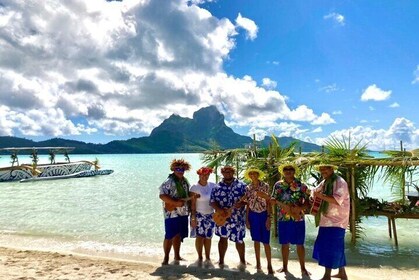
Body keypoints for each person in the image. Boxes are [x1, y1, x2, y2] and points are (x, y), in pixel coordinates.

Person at [271, 162, 311, 276]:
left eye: (290, 169)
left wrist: (300, 207)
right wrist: (275, 202)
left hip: (298, 218)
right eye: (285, 169)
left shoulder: (302, 185)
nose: (288, 171)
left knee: (300, 244)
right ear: (282, 172)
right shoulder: (278, 185)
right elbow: (273, 199)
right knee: (284, 244)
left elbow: (308, 203)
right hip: (282, 218)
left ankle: (303, 268)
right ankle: (284, 267)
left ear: (294, 171)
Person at [312, 163, 350, 280]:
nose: (323, 171)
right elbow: (315, 191)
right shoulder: (325, 182)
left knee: (330, 248)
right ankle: (342, 274)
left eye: (325, 169)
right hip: (326, 220)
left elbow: (336, 199)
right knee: (336, 247)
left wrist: (321, 196)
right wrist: (312, 194)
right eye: (321, 169)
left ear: (332, 169)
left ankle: (326, 276)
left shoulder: (340, 182)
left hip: (337, 222)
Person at [210, 165, 247, 269]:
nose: (227, 174)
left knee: (239, 240)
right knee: (222, 238)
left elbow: (248, 199)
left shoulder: (242, 185)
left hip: (237, 218)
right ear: (222, 173)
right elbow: (212, 202)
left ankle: (242, 261)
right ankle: (221, 261)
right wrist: (219, 210)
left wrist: (242, 204)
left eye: (229, 172)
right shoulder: (217, 187)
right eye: (225, 172)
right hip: (222, 217)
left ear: (233, 172)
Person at [159, 159, 191, 265]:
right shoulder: (169, 181)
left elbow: (186, 196)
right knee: (169, 235)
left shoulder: (185, 181)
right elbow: (162, 195)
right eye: (177, 169)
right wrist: (175, 203)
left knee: (178, 235)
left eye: (182, 169)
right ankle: (166, 258)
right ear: (173, 169)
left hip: (183, 212)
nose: (180, 171)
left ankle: (177, 256)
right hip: (171, 213)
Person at [244, 167, 274, 274]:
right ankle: (258, 263)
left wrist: (269, 217)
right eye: (251, 174)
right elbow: (247, 204)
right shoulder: (248, 188)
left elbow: (269, 201)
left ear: (258, 174)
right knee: (256, 241)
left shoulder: (265, 186)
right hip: (253, 214)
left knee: (266, 241)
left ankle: (269, 265)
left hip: (264, 214)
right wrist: (246, 219)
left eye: (255, 173)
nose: (253, 175)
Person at [189, 167, 216, 266]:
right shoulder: (194, 187)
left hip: (210, 215)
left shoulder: (213, 185)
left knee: (208, 237)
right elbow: (192, 204)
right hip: (199, 215)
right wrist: (193, 217)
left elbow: (216, 200)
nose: (205, 177)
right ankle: (200, 257)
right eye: (202, 175)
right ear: (199, 175)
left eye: (207, 175)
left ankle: (208, 258)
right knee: (200, 237)